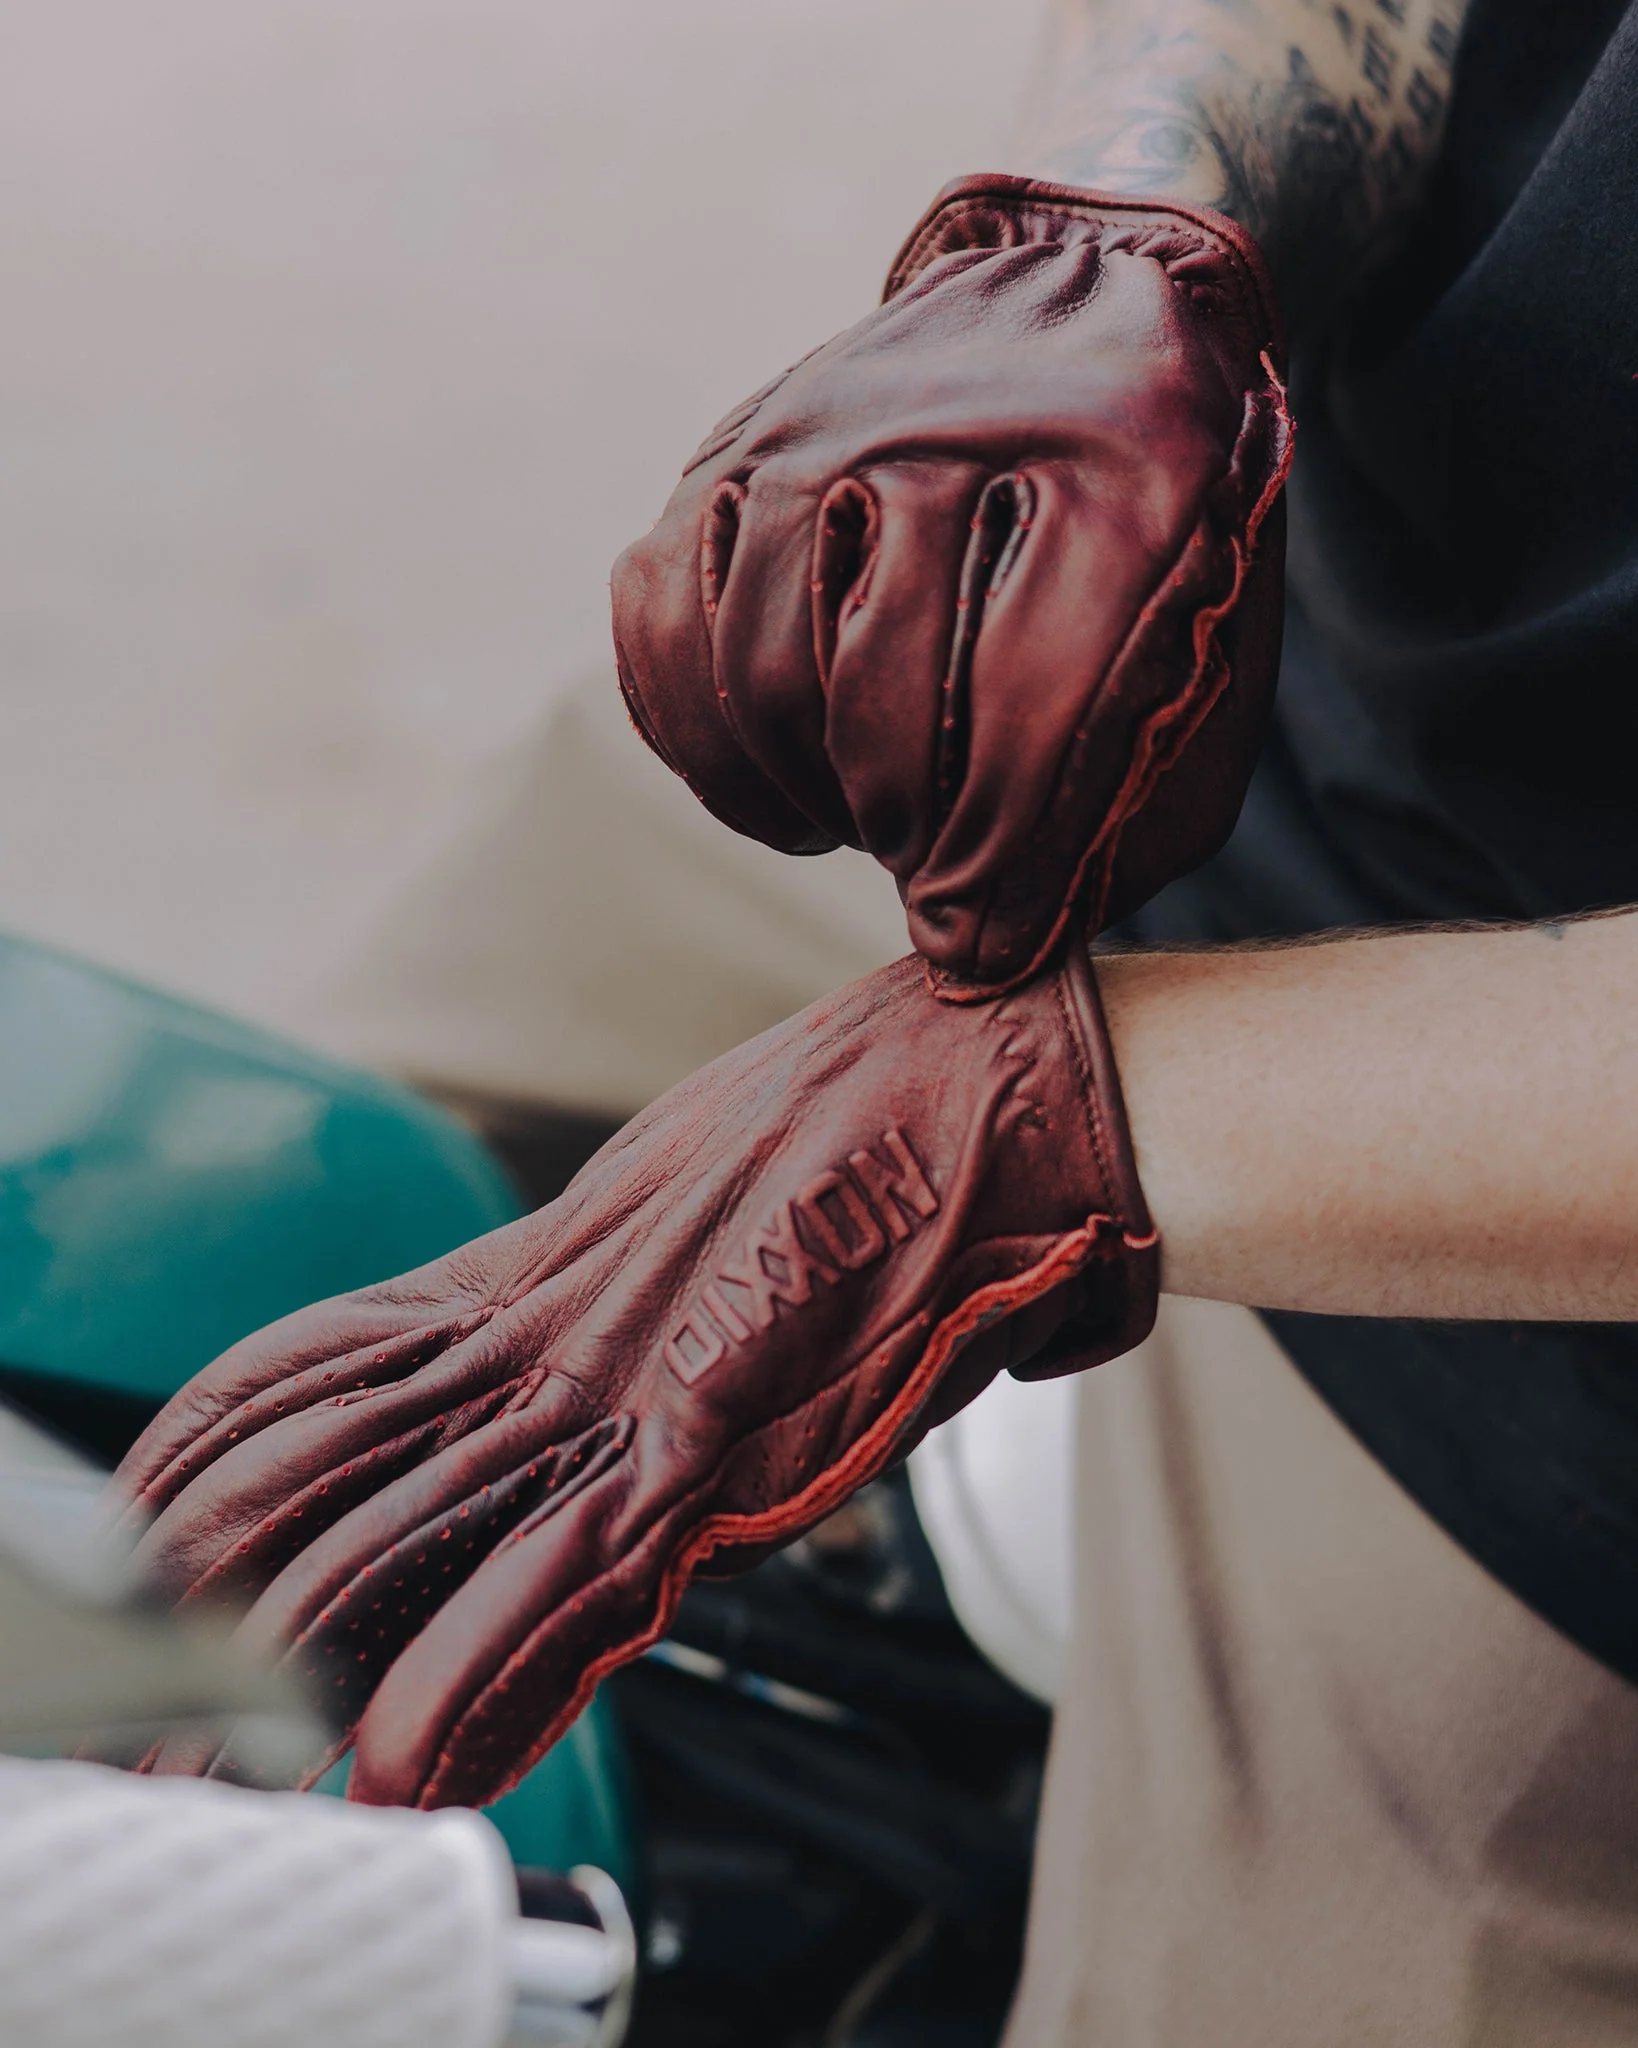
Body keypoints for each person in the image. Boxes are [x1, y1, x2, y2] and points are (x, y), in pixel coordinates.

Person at [114, 0, 1638, 2040]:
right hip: (1183, 697)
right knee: (176, 1233)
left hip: (1543, 1368)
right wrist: (1114, 240)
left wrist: (1029, 1137)